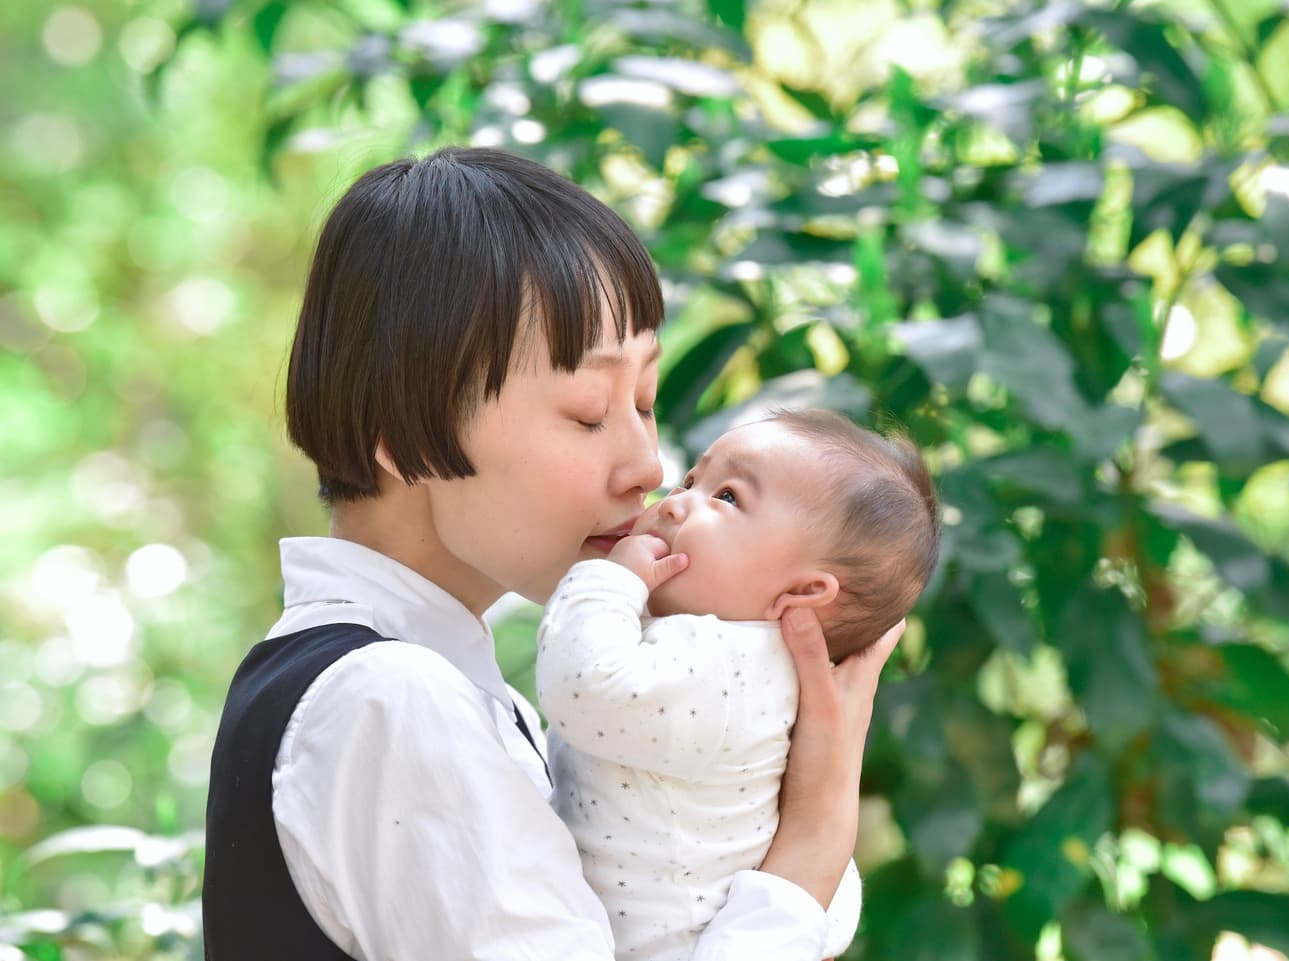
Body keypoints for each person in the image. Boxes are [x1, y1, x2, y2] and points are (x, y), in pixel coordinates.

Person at [200, 146, 904, 961]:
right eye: (587, 411)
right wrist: (809, 854)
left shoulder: (414, 688)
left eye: (645, 401)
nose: (648, 466)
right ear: (395, 437)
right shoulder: (393, 699)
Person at [536, 409, 939, 961]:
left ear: (802, 592)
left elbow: (582, 686)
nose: (674, 501)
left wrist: (609, 581)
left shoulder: (725, 663)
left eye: (726, 498)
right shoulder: (762, 677)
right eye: (691, 480)